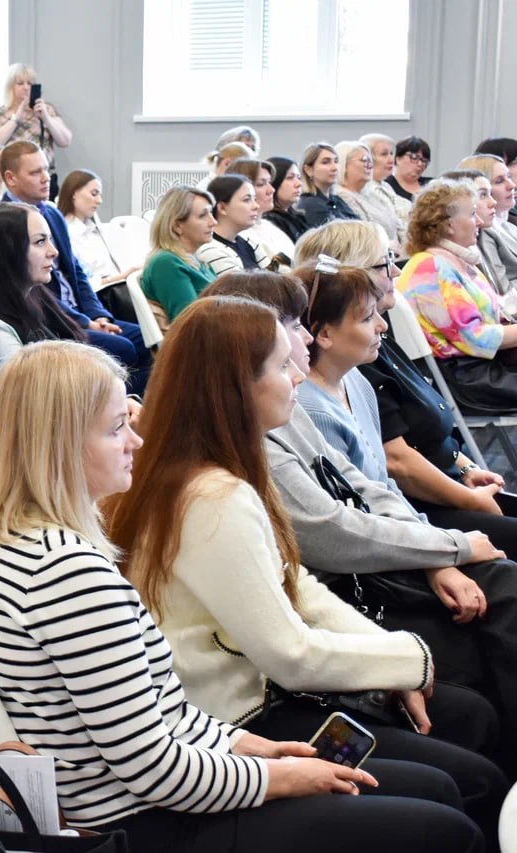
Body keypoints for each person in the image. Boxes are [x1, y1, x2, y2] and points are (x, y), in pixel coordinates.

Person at [0, 338, 484, 852]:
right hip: (149, 823)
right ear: (61, 445)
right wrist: (277, 777)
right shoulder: (67, 574)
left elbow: (162, 716)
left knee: (435, 789)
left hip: (158, 797)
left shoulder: (30, 549)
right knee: (447, 823)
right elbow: (152, 768)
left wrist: (252, 747)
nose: (136, 442)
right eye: (117, 427)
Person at [103, 296, 503, 847]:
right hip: (243, 721)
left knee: (468, 724)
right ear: (237, 387)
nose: (298, 375)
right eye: (281, 365)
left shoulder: (221, 466)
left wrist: (395, 661)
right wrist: (410, 659)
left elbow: (298, 586)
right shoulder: (211, 494)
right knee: (460, 788)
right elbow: (289, 654)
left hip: (262, 700)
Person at [200, 269, 517, 775]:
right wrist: (445, 554)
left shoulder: (296, 405)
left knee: (501, 587)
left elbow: (369, 488)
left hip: (366, 575)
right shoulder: (237, 464)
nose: (303, 340)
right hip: (339, 606)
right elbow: (330, 536)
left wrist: (439, 553)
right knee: (489, 634)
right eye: (292, 328)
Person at [295, 221, 512, 537]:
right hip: (416, 509)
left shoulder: (374, 343)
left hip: (430, 496)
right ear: (355, 274)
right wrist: (470, 504)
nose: (396, 272)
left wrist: (466, 468)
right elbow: (393, 467)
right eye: (385, 264)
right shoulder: (351, 361)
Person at [0, 141, 152, 384]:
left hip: (81, 314)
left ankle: (132, 412)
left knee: (148, 338)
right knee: (125, 348)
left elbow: (76, 271)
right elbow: (34, 291)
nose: (45, 178)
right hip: (49, 321)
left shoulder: (50, 212)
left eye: (46, 169)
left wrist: (99, 315)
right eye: (35, 172)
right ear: (10, 178)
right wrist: (85, 322)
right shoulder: (5, 221)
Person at [397, 179, 517, 413]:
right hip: (469, 380)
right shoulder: (433, 269)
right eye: (473, 214)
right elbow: (477, 339)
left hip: (480, 370)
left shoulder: (451, 262)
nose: (480, 221)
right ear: (448, 225)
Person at [0, 203, 88, 381]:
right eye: (40, 241)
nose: (53, 251)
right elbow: (37, 399)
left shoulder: (33, 297)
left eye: (49, 240)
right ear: (6, 252)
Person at [0, 63, 72, 197]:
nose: (26, 87)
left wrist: (47, 119)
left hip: (44, 177)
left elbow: (65, 140)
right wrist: (16, 119)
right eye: (20, 83)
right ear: (10, 87)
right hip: (14, 179)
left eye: (30, 83)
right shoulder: (0, 113)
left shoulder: (47, 110)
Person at [140, 186, 216, 324]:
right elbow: (189, 322)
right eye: (203, 215)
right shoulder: (166, 263)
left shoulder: (197, 260)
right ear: (177, 226)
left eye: (211, 213)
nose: (213, 222)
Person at [459, 153, 517, 294]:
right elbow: (502, 291)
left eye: (509, 177)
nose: (512, 185)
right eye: (499, 181)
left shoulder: (509, 226)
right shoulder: (484, 232)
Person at [334, 141, 402, 252]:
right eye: (364, 160)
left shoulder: (372, 194)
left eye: (371, 161)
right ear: (344, 165)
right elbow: (363, 237)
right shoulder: (341, 197)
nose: (370, 165)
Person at [195, 175, 270, 275]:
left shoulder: (250, 242)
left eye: (254, 199)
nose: (256, 206)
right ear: (222, 208)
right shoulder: (211, 250)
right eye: (247, 200)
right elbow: (238, 289)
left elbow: (275, 279)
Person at [228, 158, 295, 264]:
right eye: (261, 184)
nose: (271, 190)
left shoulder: (270, 227)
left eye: (270, 182)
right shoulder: (240, 235)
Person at [361, 133, 414, 245]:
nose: (391, 159)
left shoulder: (385, 186)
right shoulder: (367, 189)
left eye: (391, 153)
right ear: (368, 159)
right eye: (384, 154)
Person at [298, 143, 361, 228]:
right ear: (309, 170)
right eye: (326, 162)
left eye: (336, 161)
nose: (334, 168)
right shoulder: (311, 204)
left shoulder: (337, 200)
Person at [264, 156, 310, 243]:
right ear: (274, 182)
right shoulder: (270, 221)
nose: (299, 184)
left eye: (298, 177)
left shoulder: (298, 217)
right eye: (290, 178)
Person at [389, 137, 433, 202]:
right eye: (414, 157)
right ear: (398, 158)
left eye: (424, 161)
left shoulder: (431, 185)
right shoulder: (386, 186)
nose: (420, 164)